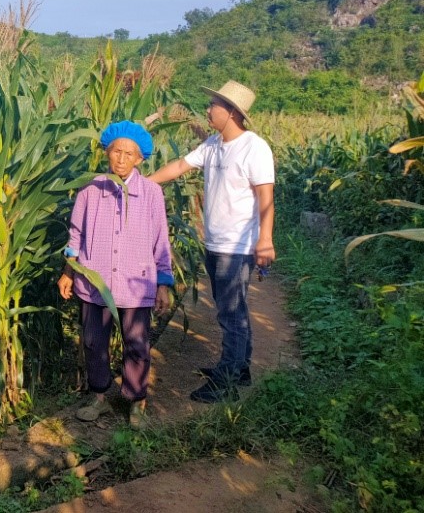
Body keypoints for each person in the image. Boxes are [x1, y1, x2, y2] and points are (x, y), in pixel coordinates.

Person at [147, 81, 275, 403]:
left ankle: (226, 382)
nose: (207, 110)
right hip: (215, 242)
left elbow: (265, 197)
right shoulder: (214, 144)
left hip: (237, 246)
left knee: (230, 315)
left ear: (231, 111)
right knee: (233, 310)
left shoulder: (254, 147)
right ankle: (240, 369)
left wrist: (266, 240)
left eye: (213, 105)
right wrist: (142, 184)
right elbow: (178, 166)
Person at [58, 120, 174, 430]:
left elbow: (161, 241)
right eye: (115, 151)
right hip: (94, 281)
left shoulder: (151, 193)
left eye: (129, 153)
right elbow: (76, 235)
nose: (121, 159)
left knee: (136, 342)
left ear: (140, 159)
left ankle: (136, 401)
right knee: (94, 341)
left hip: (136, 282)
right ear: (107, 153)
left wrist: (163, 283)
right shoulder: (91, 189)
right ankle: (99, 396)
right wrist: (68, 271)